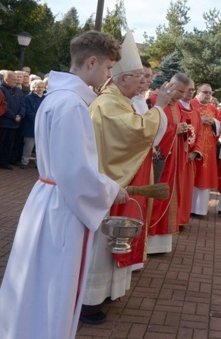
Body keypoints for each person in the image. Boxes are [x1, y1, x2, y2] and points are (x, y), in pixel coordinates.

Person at [0, 31, 129, 339]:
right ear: (92, 61)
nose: (108, 77)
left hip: (46, 198)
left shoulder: (57, 97)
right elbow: (75, 172)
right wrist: (113, 191)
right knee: (52, 286)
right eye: (107, 69)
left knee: (32, 281)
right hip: (62, 207)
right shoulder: (72, 105)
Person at [81, 30, 171, 324]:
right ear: (122, 79)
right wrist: (161, 106)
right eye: (138, 78)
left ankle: (104, 292)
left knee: (109, 243)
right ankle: (89, 301)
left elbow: (136, 128)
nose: (144, 83)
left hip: (112, 185)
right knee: (99, 244)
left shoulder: (120, 101)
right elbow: (135, 132)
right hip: (104, 187)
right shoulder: (108, 103)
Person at [146, 73, 192, 254]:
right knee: (155, 198)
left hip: (172, 162)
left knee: (168, 197)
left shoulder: (178, 107)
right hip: (158, 162)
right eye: (179, 90)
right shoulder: (155, 102)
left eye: (185, 92)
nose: (182, 95)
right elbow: (149, 130)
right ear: (170, 86)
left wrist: (184, 130)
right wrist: (174, 130)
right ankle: (149, 242)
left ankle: (161, 244)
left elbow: (178, 128)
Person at [191, 84, 221, 217]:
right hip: (193, 147)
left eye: (210, 93)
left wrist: (214, 122)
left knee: (204, 177)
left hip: (208, 149)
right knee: (192, 176)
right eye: (205, 92)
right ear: (197, 93)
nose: (208, 95)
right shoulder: (191, 104)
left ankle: (200, 209)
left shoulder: (213, 108)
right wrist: (199, 120)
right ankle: (189, 208)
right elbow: (186, 120)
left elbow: (220, 126)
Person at [175, 80, 204, 225]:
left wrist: (195, 152)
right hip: (175, 158)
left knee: (186, 190)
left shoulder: (196, 112)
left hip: (189, 159)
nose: (190, 92)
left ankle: (181, 220)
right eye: (187, 89)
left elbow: (200, 134)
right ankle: (173, 220)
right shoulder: (174, 107)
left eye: (192, 89)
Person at [0, 71, 25, 171]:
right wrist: (13, 116)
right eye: (13, 80)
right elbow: (2, 105)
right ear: (6, 79)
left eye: (16, 79)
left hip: (15, 123)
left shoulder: (18, 90)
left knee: (9, 143)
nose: (16, 81)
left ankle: (4, 161)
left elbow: (22, 104)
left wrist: (20, 115)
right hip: (4, 121)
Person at [19, 79, 46, 169]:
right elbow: (29, 111)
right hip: (31, 125)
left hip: (43, 125)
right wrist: (38, 119)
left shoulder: (46, 97)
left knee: (40, 147)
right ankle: (24, 162)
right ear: (33, 87)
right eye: (38, 87)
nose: (40, 89)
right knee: (28, 146)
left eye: (42, 87)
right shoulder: (28, 98)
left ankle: (38, 164)